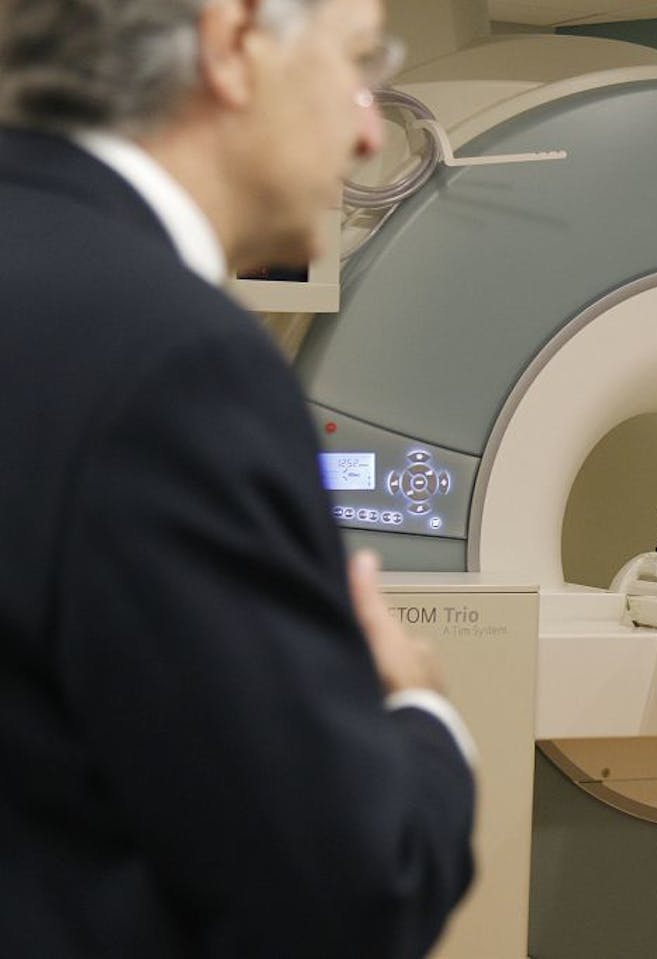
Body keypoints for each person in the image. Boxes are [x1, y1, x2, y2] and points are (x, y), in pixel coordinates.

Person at [0, 1, 477, 955]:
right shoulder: (170, 357)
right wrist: (421, 713)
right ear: (234, 40)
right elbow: (340, 896)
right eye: (357, 66)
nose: (368, 130)